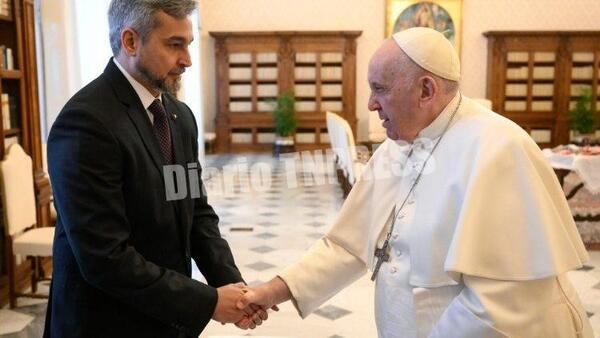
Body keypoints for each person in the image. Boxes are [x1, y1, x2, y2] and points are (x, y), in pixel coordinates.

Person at [237, 27, 593, 337]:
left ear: (426, 90)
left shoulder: (501, 150)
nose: (371, 104)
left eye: (380, 89)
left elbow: (499, 303)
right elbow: (348, 243)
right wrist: (273, 290)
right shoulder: (398, 144)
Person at [44, 1, 265, 337]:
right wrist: (208, 302)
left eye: (188, 44)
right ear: (131, 41)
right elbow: (105, 258)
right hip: (106, 325)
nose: (187, 60)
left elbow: (196, 214)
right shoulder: (86, 123)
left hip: (167, 320)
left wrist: (233, 286)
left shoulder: (178, 117)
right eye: (174, 45)